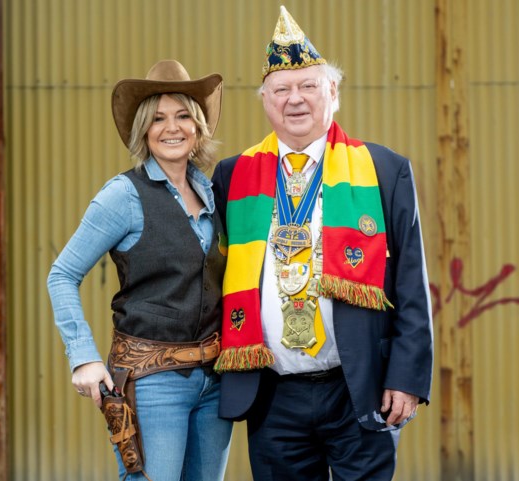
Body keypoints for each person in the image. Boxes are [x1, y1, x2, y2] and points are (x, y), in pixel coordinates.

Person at [211, 6, 433, 481]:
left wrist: (406, 378)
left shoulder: (383, 169)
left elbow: (412, 281)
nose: (296, 100)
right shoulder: (233, 176)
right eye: (282, 90)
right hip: (272, 393)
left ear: (333, 92)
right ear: (266, 101)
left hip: (359, 386)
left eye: (309, 86)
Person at [47, 59, 232, 481]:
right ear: (144, 130)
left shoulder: (211, 191)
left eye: (184, 115)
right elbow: (62, 275)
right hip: (151, 381)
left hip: (214, 379)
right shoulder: (122, 196)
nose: (173, 127)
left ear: (198, 126)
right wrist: (82, 358)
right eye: (159, 118)